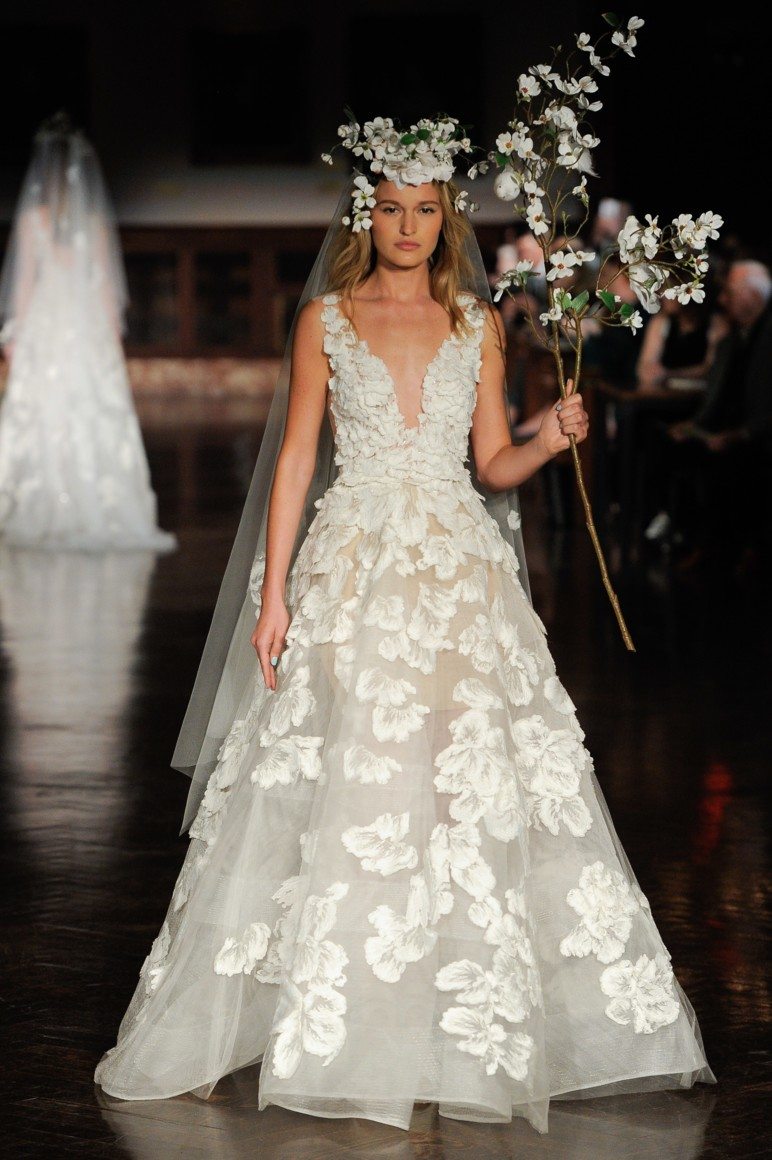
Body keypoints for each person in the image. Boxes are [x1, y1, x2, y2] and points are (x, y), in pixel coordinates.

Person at [94, 114, 714, 1133]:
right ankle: (307, 1021)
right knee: (346, 778)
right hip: (351, 564)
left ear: (445, 219)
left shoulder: (478, 323)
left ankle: (456, 1022)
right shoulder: (325, 320)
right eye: (392, 208)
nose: (409, 226)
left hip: (460, 573)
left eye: (426, 210)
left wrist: (549, 438)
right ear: (366, 215)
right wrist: (275, 592)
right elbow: (296, 458)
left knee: (462, 780)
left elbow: (491, 465)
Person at [0, 113, 175, 552]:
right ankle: (94, 504)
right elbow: (106, 292)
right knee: (88, 414)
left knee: (45, 414)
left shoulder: (33, 220)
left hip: (45, 328)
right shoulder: (94, 223)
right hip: (84, 330)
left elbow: (22, 289)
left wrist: (12, 339)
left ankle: (40, 504)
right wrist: (109, 345)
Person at [644, 260, 772, 562]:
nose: (723, 301)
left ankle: (727, 550)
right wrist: (695, 426)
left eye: (730, 293)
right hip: (725, 431)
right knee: (661, 441)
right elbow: (717, 397)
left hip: (756, 440)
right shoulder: (731, 341)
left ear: (753, 297)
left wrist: (738, 435)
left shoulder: (760, 339)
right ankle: (684, 536)